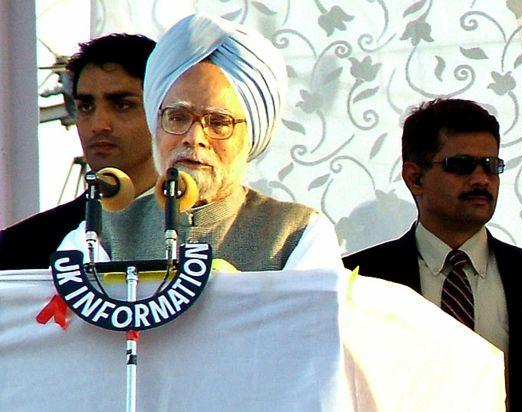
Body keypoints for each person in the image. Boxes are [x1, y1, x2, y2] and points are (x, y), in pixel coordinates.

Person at [343, 98, 522, 411]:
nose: (481, 179)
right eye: (462, 165)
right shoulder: (356, 283)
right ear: (415, 178)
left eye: (491, 166)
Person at [60, 13, 342, 272]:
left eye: (219, 122)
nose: (194, 138)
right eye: (178, 117)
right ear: (155, 124)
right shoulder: (98, 238)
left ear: (251, 136)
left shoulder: (296, 235)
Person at [0, 33, 157, 270]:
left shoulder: (216, 231)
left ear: (165, 110)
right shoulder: (19, 249)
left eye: (122, 105)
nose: (98, 124)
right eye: (85, 106)